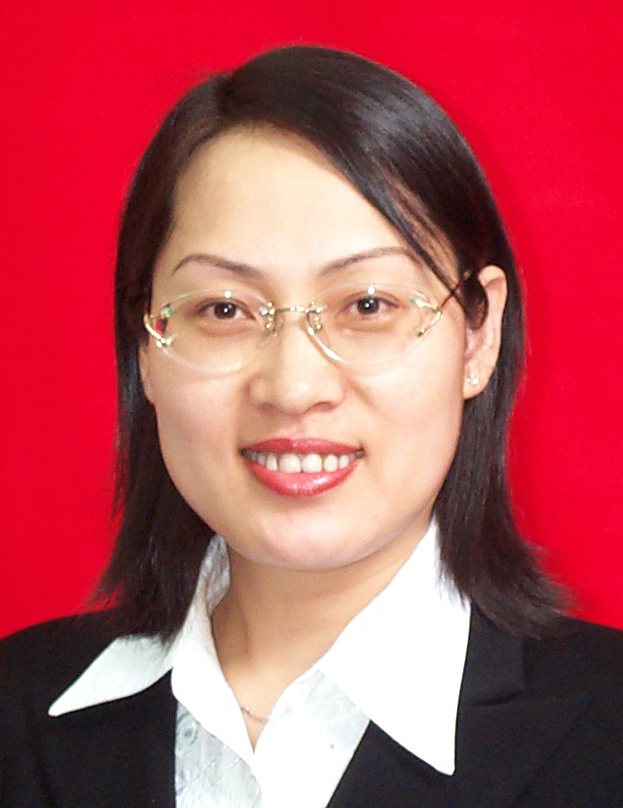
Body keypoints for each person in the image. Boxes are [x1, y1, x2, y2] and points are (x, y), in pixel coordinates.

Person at [1, 45, 622, 808]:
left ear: (476, 337)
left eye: (367, 304)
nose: (293, 388)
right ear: (146, 350)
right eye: (223, 309)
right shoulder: (15, 714)